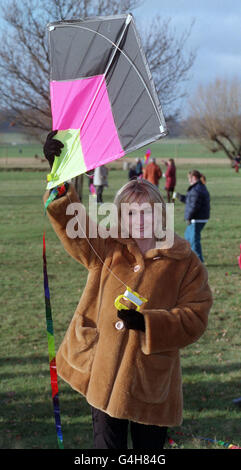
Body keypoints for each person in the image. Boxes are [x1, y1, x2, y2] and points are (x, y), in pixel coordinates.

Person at [43, 132, 212, 450]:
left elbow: (196, 316)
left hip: (151, 382)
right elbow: (70, 222)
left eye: (147, 211)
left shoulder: (184, 261)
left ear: (160, 212)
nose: (140, 220)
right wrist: (60, 173)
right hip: (103, 374)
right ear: (120, 214)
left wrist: (148, 324)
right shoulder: (107, 246)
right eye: (131, 213)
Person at [176, 170, 210, 263]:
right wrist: (180, 197)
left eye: (189, 178)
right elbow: (190, 200)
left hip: (197, 219)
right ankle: (190, 259)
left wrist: (189, 217)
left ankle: (199, 261)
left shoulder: (196, 189)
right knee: (188, 238)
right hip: (196, 218)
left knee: (194, 241)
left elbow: (194, 205)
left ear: (193, 178)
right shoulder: (197, 188)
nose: (189, 180)